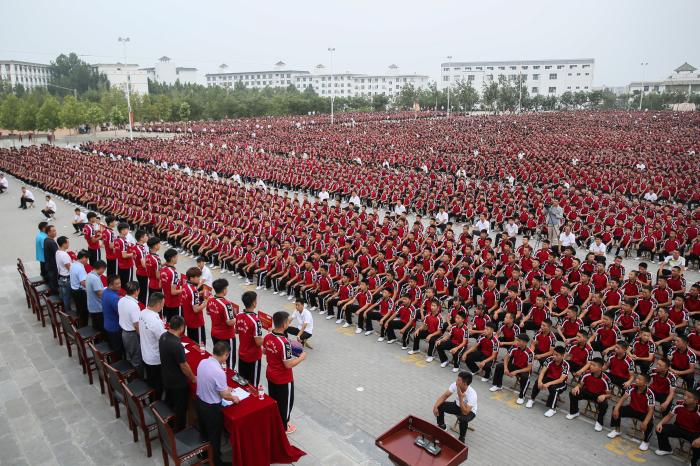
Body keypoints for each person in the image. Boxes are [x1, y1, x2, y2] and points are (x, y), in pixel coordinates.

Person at [195, 341, 240, 466]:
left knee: (203, 432)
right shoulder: (219, 371)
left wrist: (225, 387)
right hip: (211, 409)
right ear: (225, 355)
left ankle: (203, 453)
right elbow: (224, 395)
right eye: (227, 355)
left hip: (199, 402)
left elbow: (208, 381)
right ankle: (215, 461)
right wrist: (233, 398)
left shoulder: (203, 362)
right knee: (214, 437)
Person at [264, 311, 306, 434]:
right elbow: (288, 364)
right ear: (284, 324)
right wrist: (301, 358)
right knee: (286, 403)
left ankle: (275, 421)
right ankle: (284, 427)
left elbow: (265, 352)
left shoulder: (267, 336)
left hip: (270, 374)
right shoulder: (285, 343)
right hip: (283, 379)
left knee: (275, 400)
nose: (289, 323)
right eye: (288, 321)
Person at [160, 315, 197, 431]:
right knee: (180, 407)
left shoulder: (163, 336)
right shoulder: (176, 345)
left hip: (166, 376)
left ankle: (167, 423)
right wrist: (193, 378)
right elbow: (184, 366)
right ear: (182, 328)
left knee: (169, 402)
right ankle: (180, 430)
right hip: (178, 383)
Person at [608, 373, 655, 451]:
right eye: (637, 378)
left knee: (650, 423)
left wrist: (645, 422)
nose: (636, 380)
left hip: (644, 413)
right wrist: (616, 408)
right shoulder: (632, 387)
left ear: (646, 383)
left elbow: (651, 411)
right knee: (616, 409)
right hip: (632, 408)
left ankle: (646, 441)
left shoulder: (650, 394)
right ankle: (617, 430)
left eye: (639, 379)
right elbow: (623, 398)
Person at [566, 357, 612, 431]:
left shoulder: (606, 379)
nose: (591, 366)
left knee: (604, 405)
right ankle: (574, 412)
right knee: (572, 393)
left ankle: (599, 422)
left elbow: (609, 395)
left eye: (594, 365)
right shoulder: (587, 373)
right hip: (587, 392)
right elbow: (581, 384)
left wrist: (604, 396)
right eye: (591, 364)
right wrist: (577, 387)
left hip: (598, 396)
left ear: (600, 368)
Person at [654, 389, 700, 463]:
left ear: (696, 401)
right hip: (679, 428)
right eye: (685, 395)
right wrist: (660, 423)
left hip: (693, 433)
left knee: (699, 445)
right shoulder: (679, 403)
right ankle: (666, 449)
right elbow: (669, 416)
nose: (685, 398)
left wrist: (699, 439)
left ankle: (693, 462)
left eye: (689, 397)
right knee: (660, 429)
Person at [433, 371, 478, 444]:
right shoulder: (455, 385)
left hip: (470, 412)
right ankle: (442, 426)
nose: (456, 381)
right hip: (457, 406)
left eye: (458, 380)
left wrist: (460, 397)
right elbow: (445, 396)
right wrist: (435, 406)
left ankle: (461, 438)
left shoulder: (472, 394)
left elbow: (465, 412)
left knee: (463, 418)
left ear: (465, 383)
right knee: (440, 405)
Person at [526, 346, 569, 417]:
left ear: (562, 356)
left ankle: (552, 409)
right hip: (550, 378)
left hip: (561, 382)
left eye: (556, 355)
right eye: (553, 354)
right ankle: (532, 399)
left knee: (554, 388)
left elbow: (561, 379)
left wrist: (548, 384)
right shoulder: (549, 359)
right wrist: (540, 381)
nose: (554, 356)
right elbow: (542, 372)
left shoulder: (566, 365)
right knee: (537, 382)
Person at [490, 333, 533, 404]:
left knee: (525, 377)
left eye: (519, 341)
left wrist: (516, 372)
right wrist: (506, 368)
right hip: (515, 366)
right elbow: (506, 357)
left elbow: (529, 368)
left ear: (525, 342)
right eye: (517, 340)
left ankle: (521, 396)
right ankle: (497, 385)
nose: (517, 342)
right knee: (499, 366)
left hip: (524, 369)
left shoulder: (530, 353)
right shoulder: (514, 347)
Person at [139, 292, 167, 400]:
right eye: (163, 304)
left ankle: (152, 398)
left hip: (145, 353)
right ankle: (156, 403)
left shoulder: (142, 313)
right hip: (155, 358)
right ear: (158, 304)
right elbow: (163, 339)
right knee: (157, 384)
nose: (163, 306)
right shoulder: (155, 321)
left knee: (151, 379)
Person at [207, 278, 237, 369]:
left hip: (215, 333)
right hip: (226, 336)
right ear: (224, 290)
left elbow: (208, 313)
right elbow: (230, 322)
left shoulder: (211, 300)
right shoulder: (226, 304)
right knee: (229, 362)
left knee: (218, 357)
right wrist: (237, 316)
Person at [236, 291, 264, 387]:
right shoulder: (256, 321)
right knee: (253, 386)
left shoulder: (239, 315)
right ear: (254, 303)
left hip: (242, 354)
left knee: (242, 382)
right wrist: (268, 336)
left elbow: (236, 331)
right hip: (253, 357)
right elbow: (258, 342)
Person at [118, 281, 144, 377]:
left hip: (124, 332)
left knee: (130, 355)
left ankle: (131, 375)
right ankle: (138, 378)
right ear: (137, 291)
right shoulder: (133, 306)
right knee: (136, 357)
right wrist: (142, 336)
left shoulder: (121, 300)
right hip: (132, 334)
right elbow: (136, 325)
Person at [181, 267, 209, 344]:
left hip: (189, 321)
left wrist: (198, 295)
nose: (199, 279)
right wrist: (206, 301)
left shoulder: (185, 286)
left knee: (192, 343)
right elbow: (196, 309)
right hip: (196, 322)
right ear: (191, 278)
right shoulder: (194, 291)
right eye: (197, 277)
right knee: (200, 346)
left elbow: (189, 299)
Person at [102, 274, 123, 356]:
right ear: (110, 285)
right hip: (115, 327)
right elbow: (120, 313)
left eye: (120, 283)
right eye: (117, 284)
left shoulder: (105, 291)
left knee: (113, 346)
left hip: (107, 324)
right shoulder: (113, 298)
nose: (119, 285)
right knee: (117, 350)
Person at [160, 248, 182, 320]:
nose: (177, 259)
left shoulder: (163, 269)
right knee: (175, 325)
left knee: (167, 322)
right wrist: (183, 289)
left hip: (166, 301)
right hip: (174, 303)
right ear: (172, 258)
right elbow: (173, 292)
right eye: (176, 257)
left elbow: (160, 285)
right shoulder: (174, 273)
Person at [69, 250, 89, 327]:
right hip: (80, 292)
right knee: (84, 311)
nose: (87, 261)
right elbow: (83, 283)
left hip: (74, 290)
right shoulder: (80, 268)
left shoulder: (73, 264)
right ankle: (84, 328)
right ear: (83, 258)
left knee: (79, 309)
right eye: (86, 259)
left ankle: (80, 325)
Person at [86, 260, 106, 331]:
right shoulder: (95, 279)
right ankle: (100, 341)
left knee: (95, 325)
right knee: (100, 328)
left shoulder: (89, 275)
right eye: (103, 270)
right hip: (97, 308)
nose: (103, 272)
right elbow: (100, 295)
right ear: (101, 268)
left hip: (92, 305)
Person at [56, 236, 73, 312]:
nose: (68, 244)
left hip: (61, 277)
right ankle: (68, 313)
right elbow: (69, 267)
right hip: (66, 278)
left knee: (64, 296)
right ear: (63, 244)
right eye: (67, 242)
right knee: (67, 297)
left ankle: (65, 310)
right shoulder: (64, 255)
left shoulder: (58, 252)